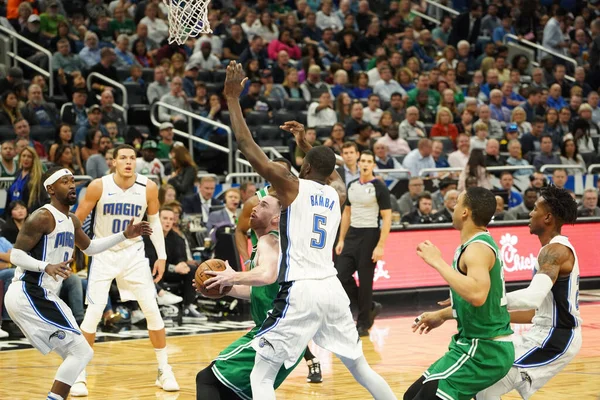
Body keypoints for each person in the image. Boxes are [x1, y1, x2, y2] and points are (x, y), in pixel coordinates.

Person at [223, 61, 396, 400]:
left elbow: (247, 147)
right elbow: (330, 172)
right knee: (361, 368)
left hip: (300, 289)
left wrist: (232, 99)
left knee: (261, 374)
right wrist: (305, 143)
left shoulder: (292, 186)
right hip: (332, 289)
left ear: (304, 166)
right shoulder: (336, 193)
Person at [5, 166, 151, 399]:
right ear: (51, 189)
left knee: (77, 352)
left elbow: (90, 248)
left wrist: (124, 234)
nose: (72, 185)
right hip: (29, 292)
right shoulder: (42, 216)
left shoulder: (71, 220)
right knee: (81, 351)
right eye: (65, 181)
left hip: (45, 295)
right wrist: (46, 266)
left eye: (73, 180)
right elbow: (15, 256)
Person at [72, 145, 180, 396]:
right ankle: (78, 373)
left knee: (153, 312)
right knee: (94, 314)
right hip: (103, 252)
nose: (128, 162)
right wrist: (72, 252)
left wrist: (161, 256)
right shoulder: (99, 186)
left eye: (132, 158)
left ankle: (164, 370)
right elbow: (76, 221)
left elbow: (153, 221)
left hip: (133, 254)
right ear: (114, 162)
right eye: (123, 158)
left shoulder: (149, 187)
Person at [195, 194, 308, 399]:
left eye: (263, 205)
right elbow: (258, 290)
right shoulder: (269, 243)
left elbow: (267, 275)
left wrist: (233, 276)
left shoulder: (270, 240)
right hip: (287, 336)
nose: (255, 208)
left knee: (207, 379)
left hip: (274, 333)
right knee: (235, 393)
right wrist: (226, 287)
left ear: (276, 219)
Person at [408, 187, 514, 400]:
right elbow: (477, 300)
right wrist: (442, 314)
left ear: (465, 212)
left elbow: (477, 295)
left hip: (485, 350)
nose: (453, 207)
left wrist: (437, 261)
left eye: (457, 203)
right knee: (411, 396)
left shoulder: (477, 248)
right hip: (471, 345)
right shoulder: (474, 244)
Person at [477, 185, 581, 399]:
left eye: (535, 208)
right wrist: (491, 315)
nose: (530, 213)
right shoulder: (549, 251)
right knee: (484, 383)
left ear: (548, 217)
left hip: (557, 337)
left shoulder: (556, 251)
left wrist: (486, 302)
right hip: (542, 331)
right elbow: (536, 312)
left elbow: (532, 297)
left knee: (487, 386)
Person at [335, 150, 391, 336]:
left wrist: (381, 245)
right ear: (358, 164)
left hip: (370, 235)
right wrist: (341, 239)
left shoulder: (379, 187)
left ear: (374, 165)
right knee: (340, 275)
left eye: (369, 161)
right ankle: (369, 307)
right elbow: (347, 213)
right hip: (352, 234)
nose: (365, 164)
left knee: (366, 282)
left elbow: (387, 217)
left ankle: (363, 323)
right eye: (363, 161)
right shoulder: (351, 185)